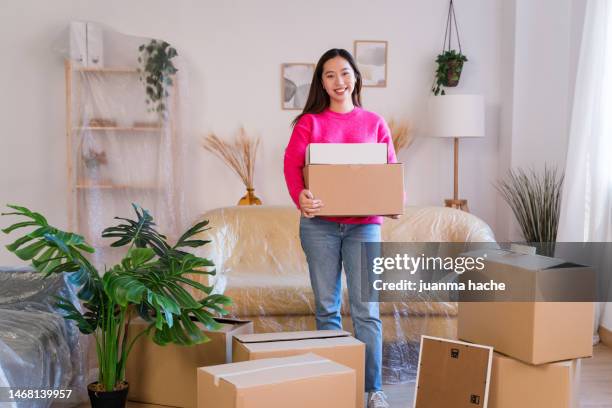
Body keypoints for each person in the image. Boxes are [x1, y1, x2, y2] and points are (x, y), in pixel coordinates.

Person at [283, 48, 399, 408]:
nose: (339, 81)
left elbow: (390, 170)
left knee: (367, 310)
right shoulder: (309, 124)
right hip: (320, 227)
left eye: (345, 73)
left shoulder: (375, 122)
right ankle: (332, 390)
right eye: (330, 75)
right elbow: (291, 168)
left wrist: (393, 201)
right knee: (327, 308)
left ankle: (372, 390)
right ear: (321, 82)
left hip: (364, 228)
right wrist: (300, 195)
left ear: (356, 78)